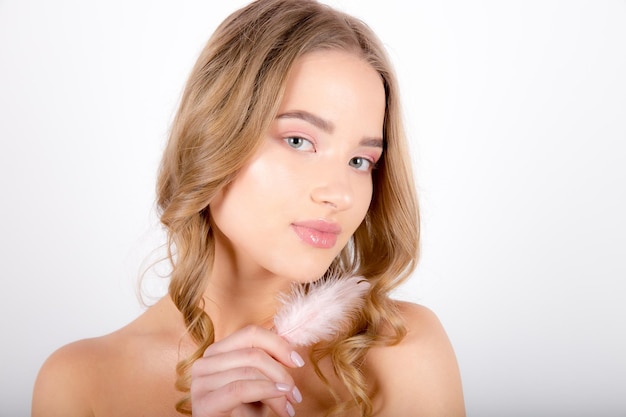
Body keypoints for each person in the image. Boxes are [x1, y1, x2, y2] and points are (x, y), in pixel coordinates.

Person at [31, 0, 465, 416]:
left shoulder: (402, 353)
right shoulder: (81, 383)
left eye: (360, 161)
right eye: (299, 141)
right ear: (214, 136)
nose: (340, 194)